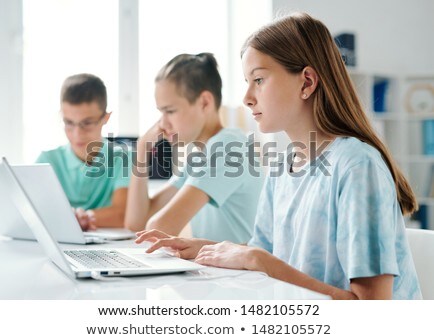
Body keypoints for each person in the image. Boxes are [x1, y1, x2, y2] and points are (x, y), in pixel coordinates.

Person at [135, 13, 422, 300]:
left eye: (258, 79)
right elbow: (265, 256)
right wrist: (204, 247)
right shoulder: (283, 166)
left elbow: (372, 308)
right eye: (247, 81)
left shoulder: (357, 166)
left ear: (307, 82)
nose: (247, 97)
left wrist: (257, 260)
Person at [124, 53, 263, 243]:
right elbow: (137, 223)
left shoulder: (229, 148)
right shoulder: (198, 157)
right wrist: (141, 149)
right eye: (161, 112)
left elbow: (157, 229)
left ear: (204, 102)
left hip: (240, 271)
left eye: (170, 111)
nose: (162, 123)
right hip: (215, 269)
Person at [37, 74, 131, 230]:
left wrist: (81, 218)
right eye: (69, 123)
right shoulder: (47, 160)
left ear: (106, 118)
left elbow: (122, 214)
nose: (77, 134)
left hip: (108, 248)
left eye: (87, 123)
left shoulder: (123, 158)